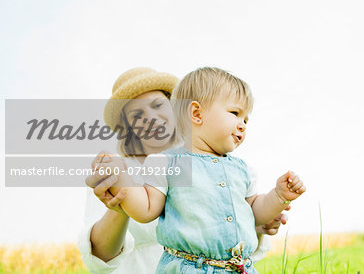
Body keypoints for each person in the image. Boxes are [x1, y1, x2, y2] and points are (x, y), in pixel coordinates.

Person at [78, 67, 289, 274]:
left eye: (158, 105)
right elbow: (99, 259)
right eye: (137, 113)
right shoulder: (117, 172)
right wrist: (121, 204)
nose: (151, 117)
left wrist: (254, 221)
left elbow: (228, 241)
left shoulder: (210, 161)